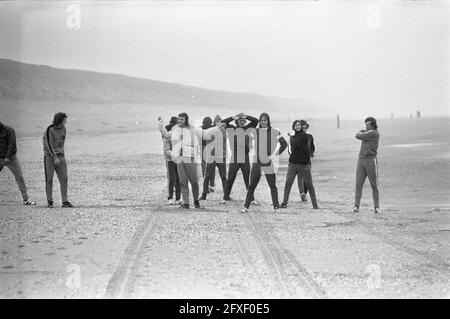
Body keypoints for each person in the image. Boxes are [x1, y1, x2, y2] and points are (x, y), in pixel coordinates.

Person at [158, 113, 224, 209]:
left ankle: (196, 201)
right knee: (183, 181)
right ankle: (186, 203)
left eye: (182, 119)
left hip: (190, 158)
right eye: (179, 119)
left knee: (194, 181)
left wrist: (217, 128)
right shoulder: (174, 129)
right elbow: (166, 135)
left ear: (186, 120)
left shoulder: (192, 129)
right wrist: (160, 125)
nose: (180, 121)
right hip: (179, 159)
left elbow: (204, 133)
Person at [241, 113, 287, 213]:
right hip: (257, 162)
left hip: (268, 162)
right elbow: (246, 139)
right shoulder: (255, 131)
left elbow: (284, 144)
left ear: (268, 121)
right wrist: (251, 149)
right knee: (252, 185)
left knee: (272, 185)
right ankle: (246, 206)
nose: (263, 122)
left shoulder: (275, 132)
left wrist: (274, 155)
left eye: (265, 120)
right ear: (259, 121)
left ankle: (276, 206)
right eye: (261, 120)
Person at [280, 120, 319, 209]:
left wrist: (291, 136)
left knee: (309, 185)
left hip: (304, 165)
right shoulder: (294, 136)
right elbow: (290, 147)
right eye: (296, 125)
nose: (297, 126)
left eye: (299, 125)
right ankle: (284, 203)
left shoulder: (304, 136)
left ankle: (315, 204)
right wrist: (291, 137)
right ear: (293, 127)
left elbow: (295, 143)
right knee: (288, 184)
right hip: (293, 164)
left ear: (301, 127)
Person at [222, 112, 259, 203]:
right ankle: (225, 197)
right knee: (230, 178)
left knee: (247, 178)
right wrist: (233, 117)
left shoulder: (247, 129)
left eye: (243, 120)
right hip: (235, 155)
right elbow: (222, 122)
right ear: (237, 121)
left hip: (245, 156)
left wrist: (246, 116)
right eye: (240, 120)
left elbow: (255, 121)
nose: (242, 122)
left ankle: (251, 199)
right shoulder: (231, 129)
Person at [0, 121, 36, 205]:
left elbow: (12, 144)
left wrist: (8, 158)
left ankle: (26, 200)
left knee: (19, 177)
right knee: (19, 177)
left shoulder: (9, 130)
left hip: (11, 159)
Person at [43, 112, 73, 208]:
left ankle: (64, 201)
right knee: (49, 179)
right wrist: (54, 156)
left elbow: (61, 144)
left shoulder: (64, 129)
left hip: (60, 156)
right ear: (60, 120)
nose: (66, 122)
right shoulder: (49, 129)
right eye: (64, 120)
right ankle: (50, 200)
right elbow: (48, 144)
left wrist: (60, 156)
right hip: (50, 157)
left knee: (64, 178)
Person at [353, 117, 380, 214]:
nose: (366, 126)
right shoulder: (368, 133)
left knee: (374, 184)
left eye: (368, 125)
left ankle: (376, 207)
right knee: (358, 184)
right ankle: (356, 206)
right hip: (361, 160)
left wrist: (362, 132)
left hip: (370, 160)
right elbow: (362, 134)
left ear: (373, 125)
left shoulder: (374, 133)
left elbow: (358, 135)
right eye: (366, 124)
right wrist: (363, 132)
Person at [199, 115, 228, 201]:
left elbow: (224, 145)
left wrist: (224, 156)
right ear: (214, 123)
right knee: (207, 176)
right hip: (211, 157)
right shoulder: (210, 131)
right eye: (217, 122)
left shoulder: (223, 131)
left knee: (223, 176)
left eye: (220, 121)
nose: (218, 123)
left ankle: (226, 195)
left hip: (220, 157)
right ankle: (204, 194)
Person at [159, 116, 181, 205]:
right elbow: (166, 148)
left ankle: (175, 198)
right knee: (174, 178)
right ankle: (173, 197)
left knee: (173, 178)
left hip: (174, 158)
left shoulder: (174, 131)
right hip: (171, 159)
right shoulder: (169, 132)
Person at [297, 120, 315, 202]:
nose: (304, 129)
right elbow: (291, 148)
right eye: (302, 128)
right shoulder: (295, 135)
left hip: (307, 160)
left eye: (305, 128)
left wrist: (311, 153)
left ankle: (304, 193)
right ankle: (302, 194)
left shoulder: (310, 136)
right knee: (300, 177)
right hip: (297, 161)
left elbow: (313, 147)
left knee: (308, 179)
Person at [200, 116, 215, 193]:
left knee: (203, 166)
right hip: (212, 147)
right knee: (211, 166)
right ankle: (211, 184)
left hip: (203, 148)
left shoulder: (200, 128)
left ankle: (206, 183)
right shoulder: (214, 128)